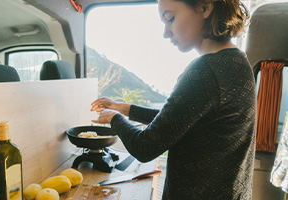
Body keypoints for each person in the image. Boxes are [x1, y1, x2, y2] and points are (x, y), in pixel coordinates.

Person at [90, 0, 256, 199]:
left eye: (170, 19)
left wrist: (113, 118)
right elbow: (177, 120)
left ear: (205, 7)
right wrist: (122, 108)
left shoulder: (205, 71)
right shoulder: (237, 60)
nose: (166, 33)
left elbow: (145, 147)